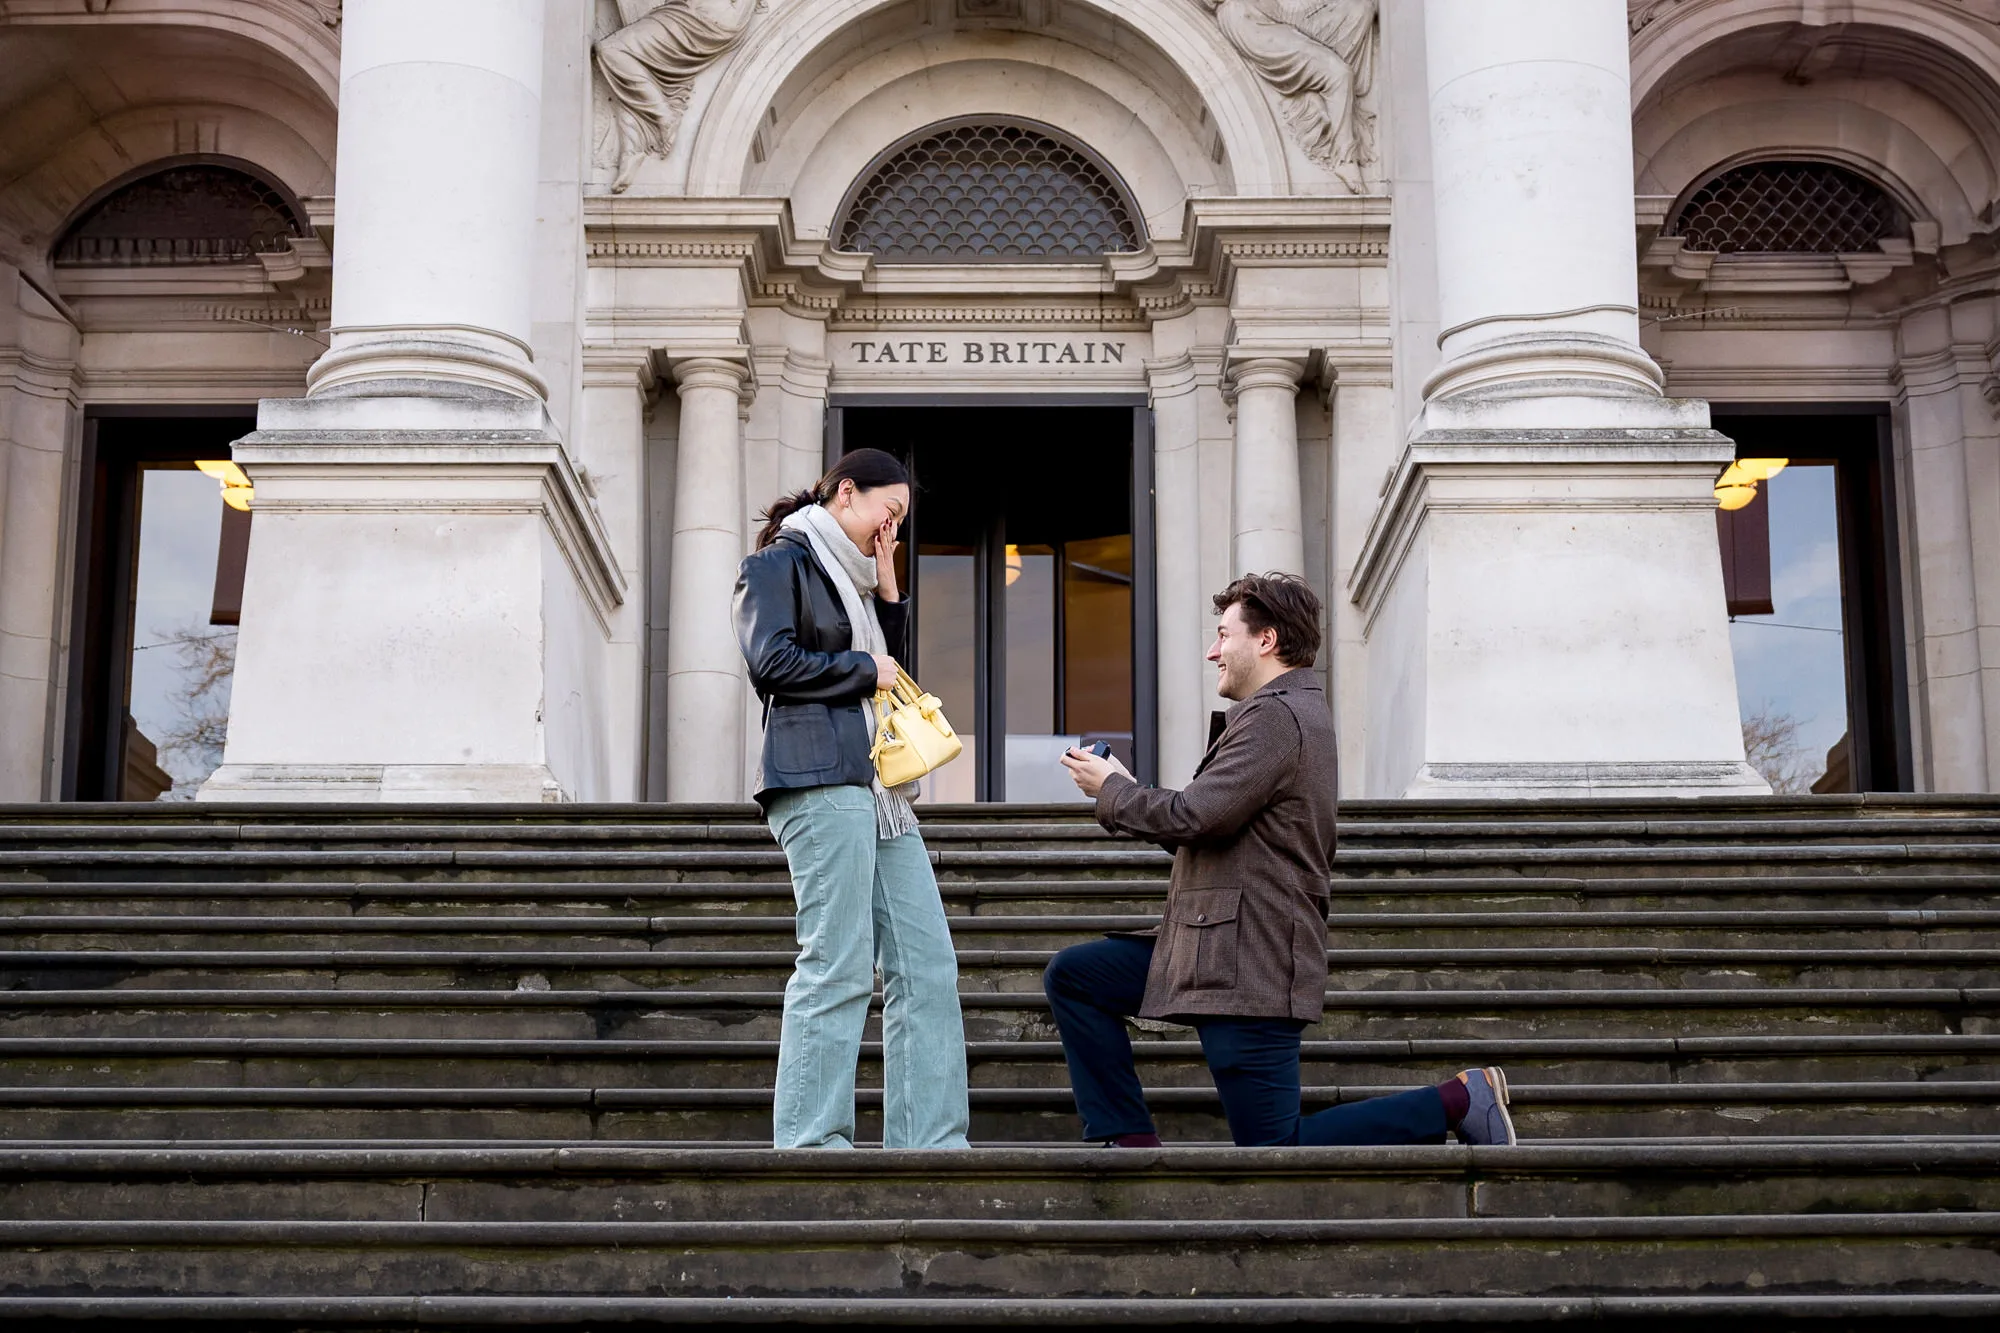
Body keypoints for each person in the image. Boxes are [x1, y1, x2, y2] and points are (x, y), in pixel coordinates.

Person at [1047, 573, 1515, 1148]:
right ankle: (1125, 1137)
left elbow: (1195, 817)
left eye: (1224, 635)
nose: (1213, 650)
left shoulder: (1277, 717)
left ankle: (1458, 1101)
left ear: (1265, 640)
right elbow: (1206, 827)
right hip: (1212, 947)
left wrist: (1112, 793)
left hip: (1249, 956)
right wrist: (1125, 787)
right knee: (1078, 976)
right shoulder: (1281, 713)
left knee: (1275, 1148)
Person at [733, 449, 970, 1150]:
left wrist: (888, 583)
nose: (889, 528)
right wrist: (864, 665)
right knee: (836, 960)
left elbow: (889, 669)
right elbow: (770, 661)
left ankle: (930, 1142)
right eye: (886, 513)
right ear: (846, 494)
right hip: (818, 778)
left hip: (881, 791)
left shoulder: (860, 586)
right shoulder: (779, 565)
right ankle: (810, 1142)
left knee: (928, 963)